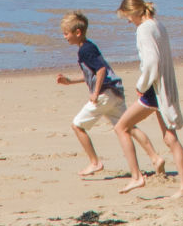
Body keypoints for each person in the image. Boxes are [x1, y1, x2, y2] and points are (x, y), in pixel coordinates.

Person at [54, 11, 161, 178]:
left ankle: (94, 162)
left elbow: (101, 70)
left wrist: (95, 93)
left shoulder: (85, 51)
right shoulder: (89, 46)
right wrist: (70, 81)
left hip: (105, 94)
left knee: (77, 126)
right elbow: (92, 73)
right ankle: (155, 157)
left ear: (77, 32)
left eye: (66, 33)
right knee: (129, 126)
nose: (64, 36)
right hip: (115, 92)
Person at [114, 0, 183, 198]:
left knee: (121, 127)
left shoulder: (143, 29)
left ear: (133, 12)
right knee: (170, 138)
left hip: (153, 89)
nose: (128, 21)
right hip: (164, 87)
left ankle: (136, 177)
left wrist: (141, 85)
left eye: (127, 17)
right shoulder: (158, 25)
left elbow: (152, 62)